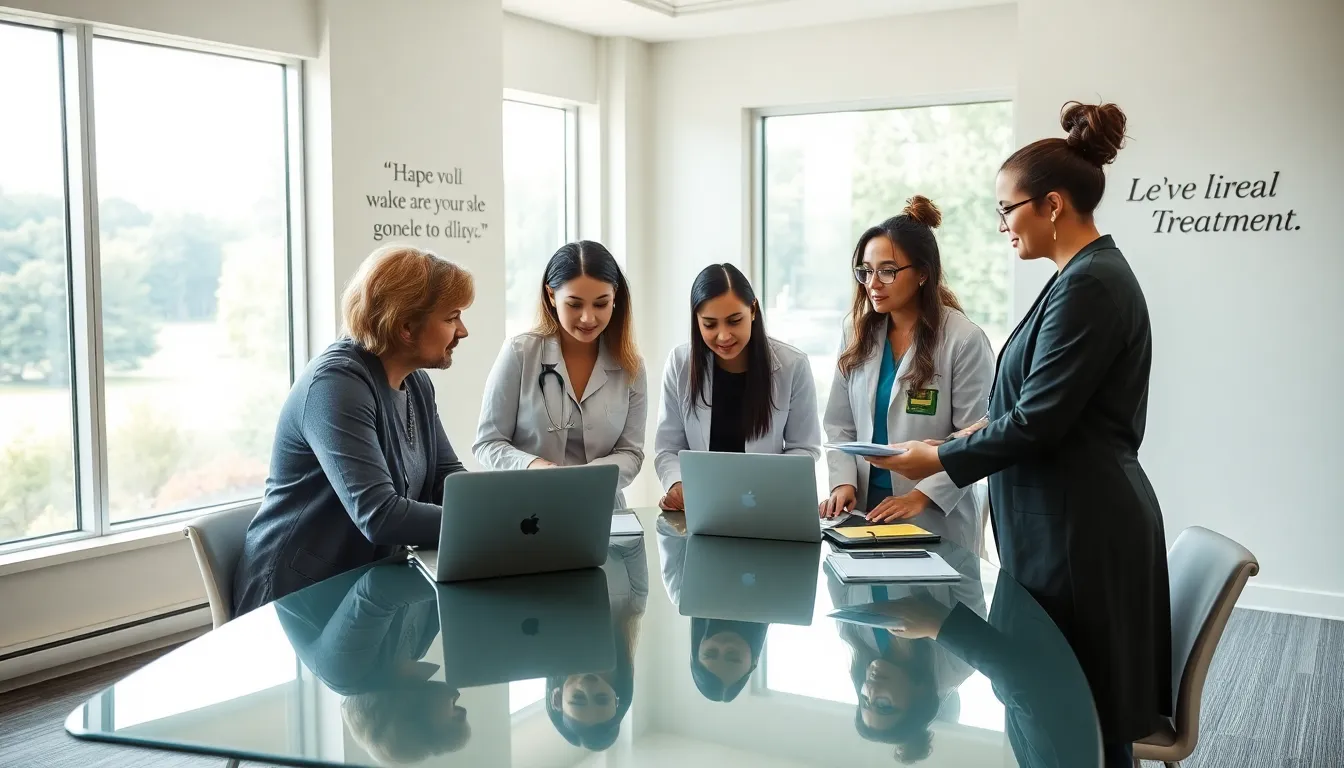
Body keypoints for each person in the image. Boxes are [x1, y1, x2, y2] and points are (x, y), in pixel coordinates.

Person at [871, 101, 1171, 768]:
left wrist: (939, 456)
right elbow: (1033, 404)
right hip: (1067, 526)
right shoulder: (1078, 279)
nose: (1002, 224)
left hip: (1080, 535)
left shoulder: (1091, 285)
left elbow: (1041, 421)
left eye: (1008, 208)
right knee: (1056, 720)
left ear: (1053, 205)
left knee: (1070, 723)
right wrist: (966, 436)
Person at [233, 245, 473, 616]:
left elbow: (447, 479)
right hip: (298, 598)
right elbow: (380, 515)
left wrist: (498, 509)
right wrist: (489, 524)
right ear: (406, 326)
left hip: (366, 588)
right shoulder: (336, 384)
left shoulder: (417, 384)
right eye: (452, 317)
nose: (463, 331)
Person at [819, 197, 995, 553]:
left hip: (934, 518)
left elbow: (976, 439)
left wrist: (921, 496)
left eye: (887, 271)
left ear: (923, 273)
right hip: (865, 515)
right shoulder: (855, 332)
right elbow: (839, 424)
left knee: (931, 609)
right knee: (866, 607)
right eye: (866, 271)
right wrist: (843, 484)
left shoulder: (963, 339)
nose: (873, 283)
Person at [475, 241, 646, 508]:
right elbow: (488, 443)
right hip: (528, 507)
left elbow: (631, 453)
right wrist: (533, 466)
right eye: (574, 305)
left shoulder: (630, 365)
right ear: (551, 296)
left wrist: (588, 477)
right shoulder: (520, 353)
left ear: (615, 297)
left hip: (601, 509)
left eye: (601, 304)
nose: (588, 318)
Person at [654, 263, 821, 511]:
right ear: (696, 321)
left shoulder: (792, 365)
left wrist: (765, 484)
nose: (723, 336)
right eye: (710, 324)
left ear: (753, 310)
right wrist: (677, 484)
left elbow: (805, 448)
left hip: (767, 504)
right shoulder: (680, 363)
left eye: (734, 321)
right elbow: (668, 448)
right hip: (703, 506)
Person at [274, 564, 471, 764]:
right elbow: (449, 592)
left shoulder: (346, 673)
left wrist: (466, 579)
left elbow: (377, 588)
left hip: (314, 543)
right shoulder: (416, 649)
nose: (459, 700)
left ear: (408, 718)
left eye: (456, 714)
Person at [546, 537, 648, 750]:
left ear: (557, 697)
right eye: (601, 698)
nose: (589, 687)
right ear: (615, 695)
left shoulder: (542, 627)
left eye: (578, 699)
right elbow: (633, 541)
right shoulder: (631, 608)